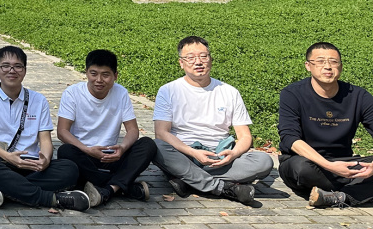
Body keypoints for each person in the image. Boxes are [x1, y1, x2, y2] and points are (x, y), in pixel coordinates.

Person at [153, 36, 273, 205]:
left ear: (211, 60)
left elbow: (245, 136)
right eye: (191, 58)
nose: (198, 62)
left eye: (203, 56)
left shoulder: (229, 92)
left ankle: (189, 180)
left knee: (264, 161)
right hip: (184, 154)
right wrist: (193, 152)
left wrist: (233, 154)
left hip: (219, 158)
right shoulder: (168, 90)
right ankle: (224, 188)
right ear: (181, 63)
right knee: (155, 146)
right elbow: (161, 133)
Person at [0, 45, 90, 212]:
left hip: (31, 165)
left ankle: (7, 189)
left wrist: (46, 159)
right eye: (6, 66)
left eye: (18, 66)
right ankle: (51, 199)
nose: (12, 70)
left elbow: (45, 140)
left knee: (69, 169)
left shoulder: (38, 100)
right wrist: (8, 157)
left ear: (24, 71)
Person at [56, 49, 158, 206]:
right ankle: (122, 187)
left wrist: (122, 148)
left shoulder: (121, 93)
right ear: (86, 73)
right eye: (93, 73)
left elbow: (133, 130)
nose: (99, 80)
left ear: (115, 76)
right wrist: (87, 150)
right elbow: (62, 132)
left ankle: (105, 188)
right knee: (65, 151)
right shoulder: (73, 93)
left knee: (148, 144)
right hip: (85, 155)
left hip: (111, 156)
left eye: (105, 75)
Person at [277, 42, 373, 208]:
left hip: (345, 162)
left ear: (341, 67)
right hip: (306, 162)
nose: (327, 67)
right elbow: (289, 138)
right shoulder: (292, 93)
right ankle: (358, 188)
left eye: (334, 62)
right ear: (308, 66)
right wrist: (330, 166)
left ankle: (341, 196)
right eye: (320, 61)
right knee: (301, 169)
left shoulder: (359, 96)